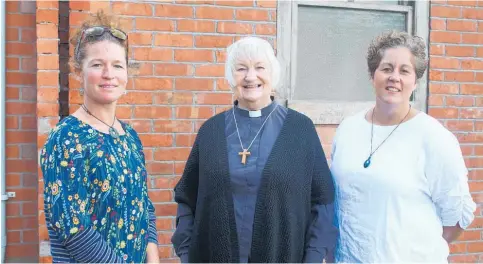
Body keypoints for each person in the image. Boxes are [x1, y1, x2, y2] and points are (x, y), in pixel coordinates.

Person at [171, 36, 338, 263]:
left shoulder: (301, 130)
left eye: (260, 67)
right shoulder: (211, 132)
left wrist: (314, 257)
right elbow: (186, 199)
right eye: (241, 69)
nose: (251, 77)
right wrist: (186, 253)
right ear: (231, 77)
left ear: (273, 74)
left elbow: (322, 200)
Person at [330, 30, 476, 262]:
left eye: (404, 71)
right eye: (386, 68)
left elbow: (457, 217)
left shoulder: (433, 137)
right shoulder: (348, 129)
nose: (394, 77)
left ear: (415, 82)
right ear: (372, 75)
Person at [39, 11, 159, 263]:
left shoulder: (130, 137)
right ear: (78, 72)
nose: (109, 74)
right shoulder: (66, 138)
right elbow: (73, 227)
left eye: (117, 65)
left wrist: (153, 257)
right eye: (97, 64)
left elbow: (143, 206)